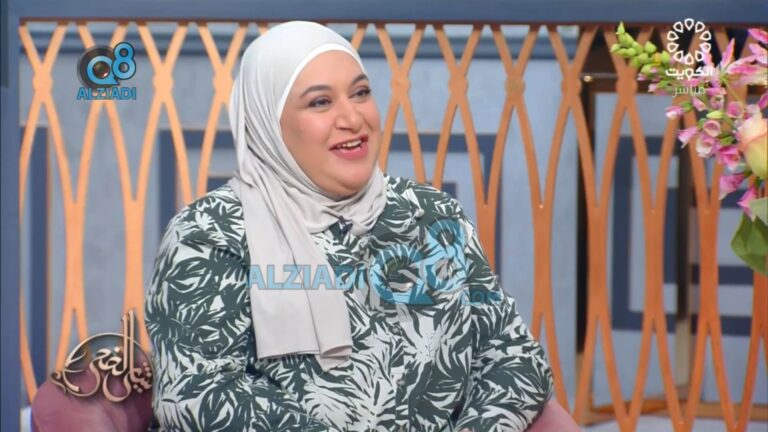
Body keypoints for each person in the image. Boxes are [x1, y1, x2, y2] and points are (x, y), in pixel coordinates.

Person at [145, 21, 553, 432]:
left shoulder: (432, 216)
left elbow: (512, 355)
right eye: (320, 102)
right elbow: (196, 392)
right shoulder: (209, 234)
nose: (353, 118)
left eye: (360, 93)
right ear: (268, 123)